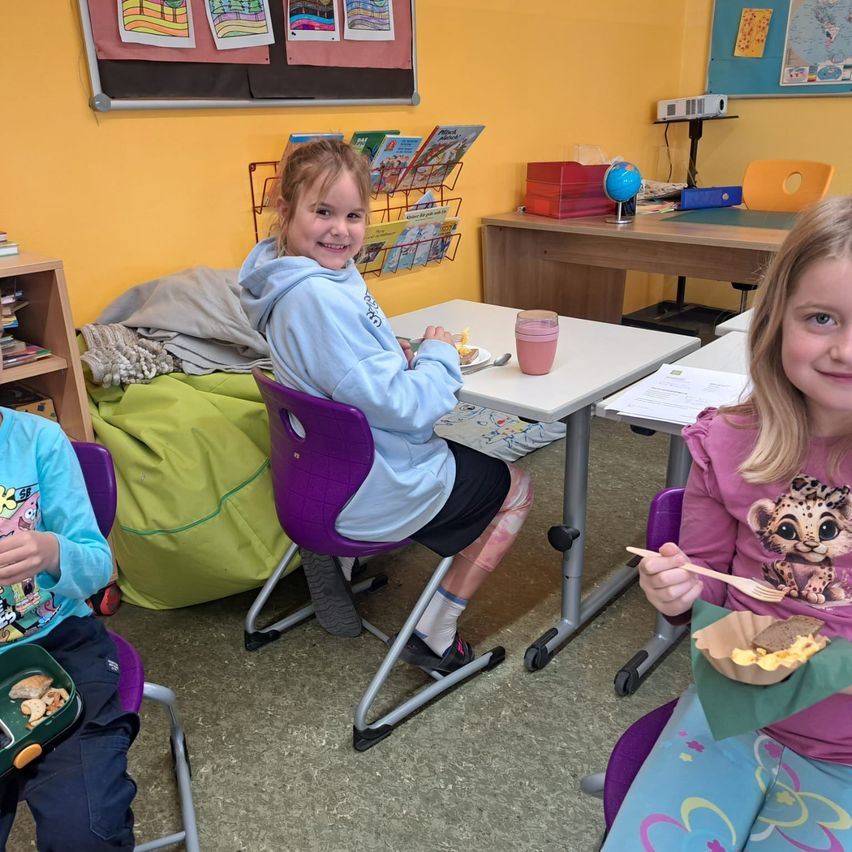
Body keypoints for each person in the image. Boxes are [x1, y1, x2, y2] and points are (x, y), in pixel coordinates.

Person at [603, 195, 852, 850]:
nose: (845, 349)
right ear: (775, 321)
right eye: (822, 318)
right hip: (733, 713)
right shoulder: (726, 445)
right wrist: (677, 591)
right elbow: (706, 596)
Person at [239, 138, 533, 672]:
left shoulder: (288, 277)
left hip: (317, 476)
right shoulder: (317, 298)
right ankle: (434, 632)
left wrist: (386, 352)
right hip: (372, 484)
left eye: (353, 215)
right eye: (322, 211)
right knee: (516, 488)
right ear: (285, 210)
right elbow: (411, 410)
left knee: (461, 450)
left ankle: (337, 561)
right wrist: (440, 355)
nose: (340, 229)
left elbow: (340, 366)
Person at [0, 405, 137, 849]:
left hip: (60, 649)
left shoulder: (39, 440)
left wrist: (52, 551)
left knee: (84, 830)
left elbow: (98, 563)